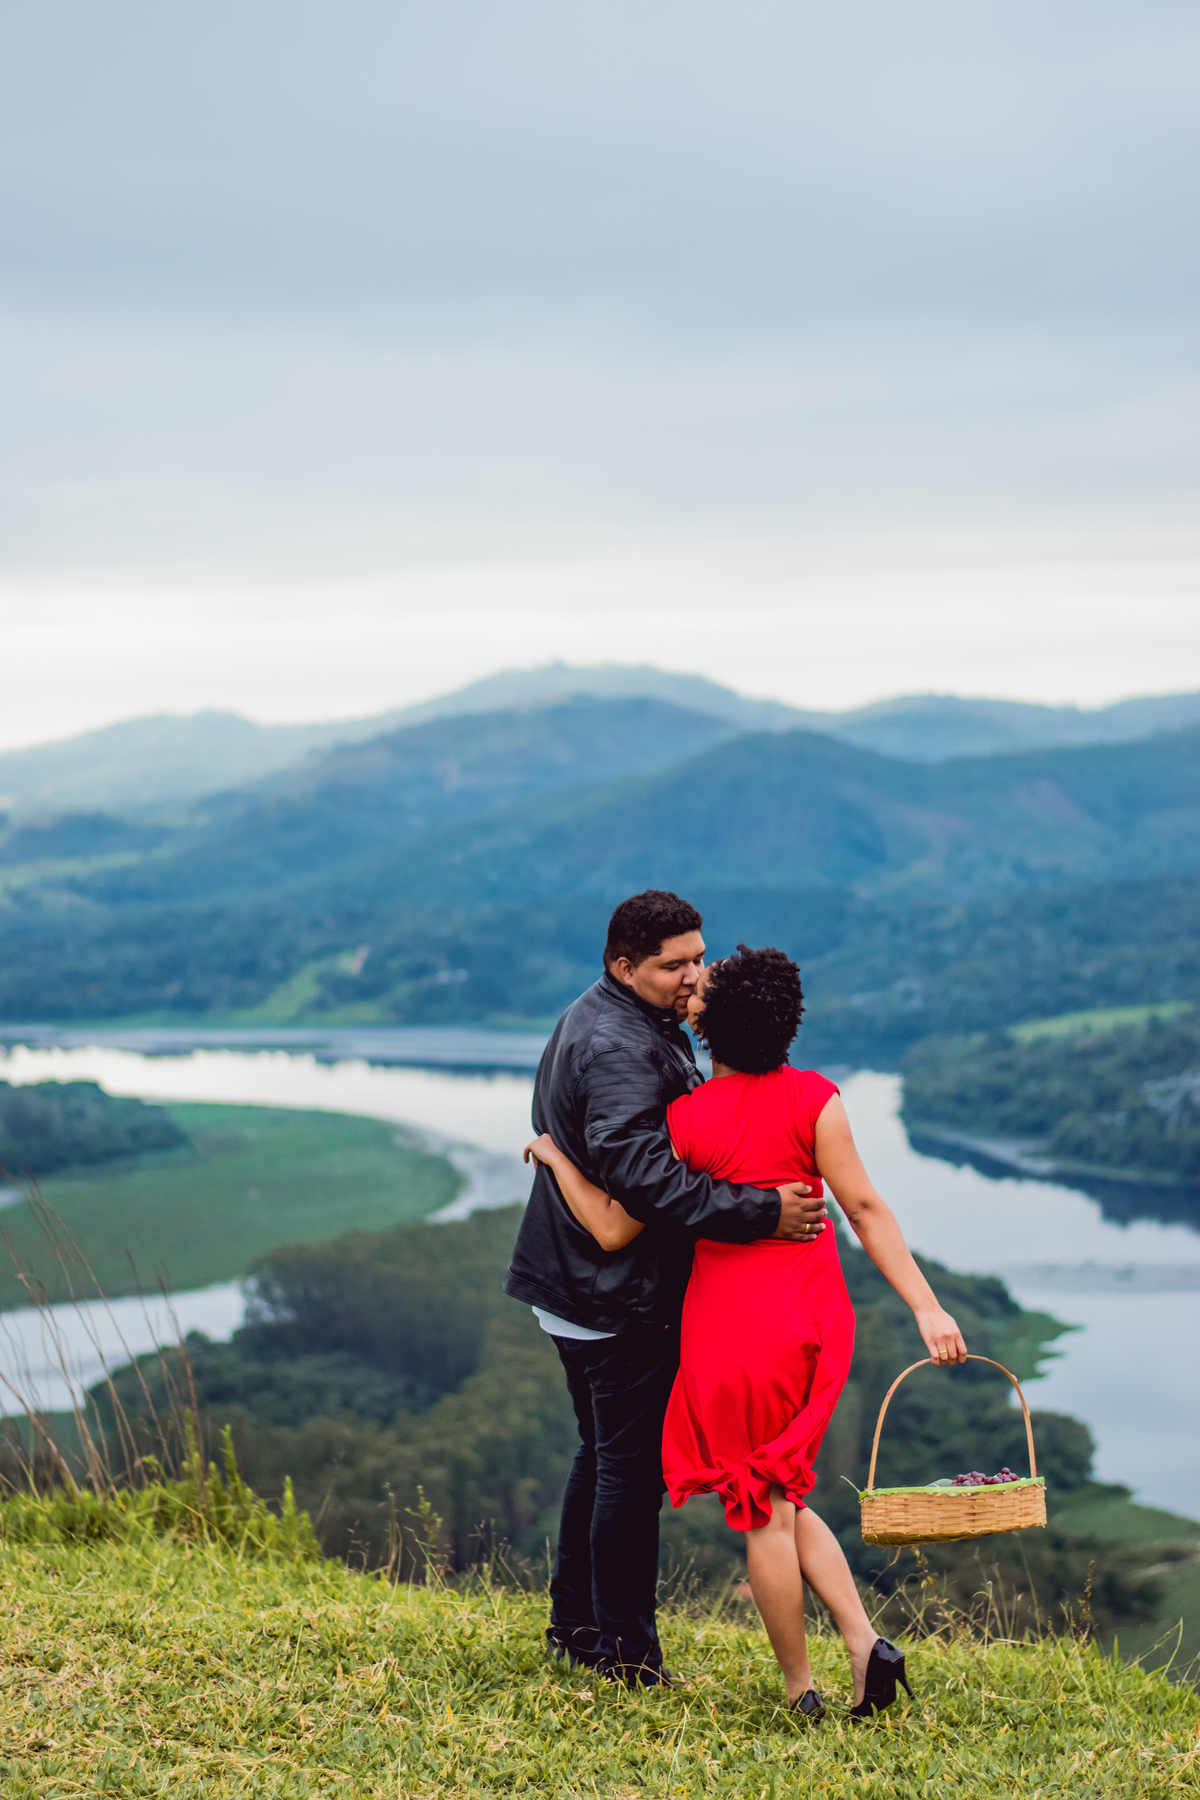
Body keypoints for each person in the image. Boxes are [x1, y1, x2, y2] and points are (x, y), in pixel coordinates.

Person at [525, 943, 968, 1718]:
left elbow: (612, 1231)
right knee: (783, 1492)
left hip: (732, 1337)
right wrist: (927, 1305)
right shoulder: (815, 1099)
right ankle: (867, 1646)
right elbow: (865, 1211)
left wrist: (558, 1160)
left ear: (710, 1026)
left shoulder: (686, 1120)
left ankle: (801, 1690)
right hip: (813, 1321)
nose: (692, 987)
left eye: (704, 987)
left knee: (759, 1509)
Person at [504, 893, 827, 1688]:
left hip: (576, 1285)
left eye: (698, 957)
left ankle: (575, 1626)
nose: (693, 976)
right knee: (628, 1471)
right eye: (673, 965)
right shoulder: (618, 1044)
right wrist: (761, 1212)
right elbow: (645, 1180)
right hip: (610, 1295)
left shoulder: (616, 1015)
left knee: (602, 1455)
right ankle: (625, 1654)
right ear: (624, 965)